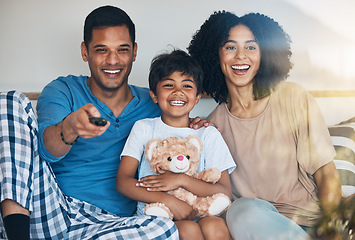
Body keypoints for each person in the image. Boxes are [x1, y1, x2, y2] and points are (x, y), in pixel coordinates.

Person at [0, 6, 204, 240]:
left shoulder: (155, 101)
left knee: (164, 229)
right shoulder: (63, 90)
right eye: (101, 50)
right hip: (51, 210)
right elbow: (46, 151)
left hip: (109, 225)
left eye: (122, 50)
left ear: (134, 52)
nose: (113, 60)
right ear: (85, 51)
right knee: (9, 100)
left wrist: (197, 124)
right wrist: (70, 128)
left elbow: (180, 120)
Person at [188, 11, 343, 239]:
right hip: (250, 226)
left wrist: (334, 230)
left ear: (265, 55)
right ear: (215, 55)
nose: (241, 56)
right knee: (242, 209)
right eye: (230, 47)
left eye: (251, 47)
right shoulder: (212, 126)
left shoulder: (293, 97)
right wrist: (192, 130)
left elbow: (326, 174)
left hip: (307, 225)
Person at [116, 49, 236, 240]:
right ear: (154, 95)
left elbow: (224, 191)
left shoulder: (207, 134)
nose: (178, 92)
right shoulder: (144, 128)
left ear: (197, 98)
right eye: (168, 85)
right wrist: (168, 200)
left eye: (187, 86)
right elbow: (123, 182)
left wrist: (181, 180)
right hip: (158, 214)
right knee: (188, 230)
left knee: (216, 226)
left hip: (201, 211)